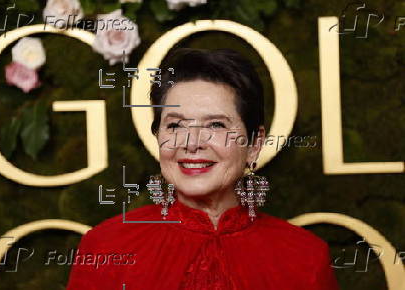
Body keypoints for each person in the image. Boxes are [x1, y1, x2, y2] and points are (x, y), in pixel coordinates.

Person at [66, 48, 340, 289]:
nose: (191, 143)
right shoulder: (106, 247)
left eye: (216, 125)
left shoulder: (305, 256)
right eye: (175, 125)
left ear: (255, 144)